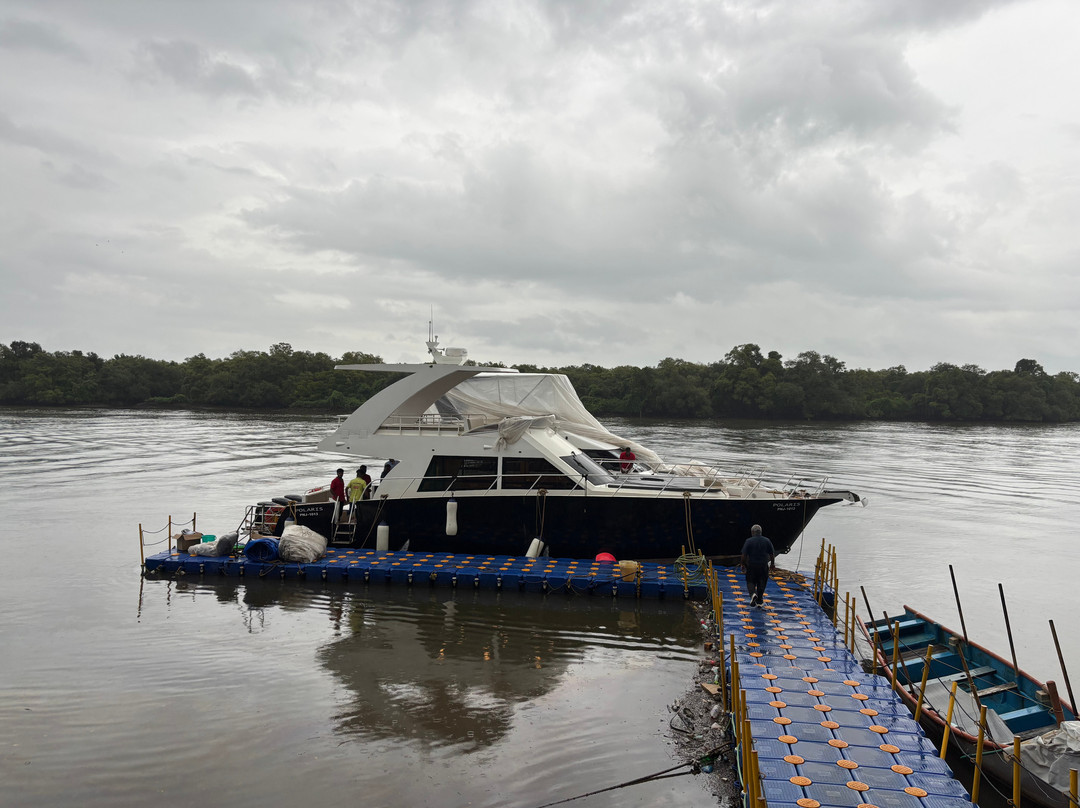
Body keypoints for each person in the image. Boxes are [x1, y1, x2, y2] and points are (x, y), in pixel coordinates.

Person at [740, 524, 776, 608]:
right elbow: (771, 554)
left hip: (752, 565)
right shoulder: (767, 541)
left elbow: (744, 555)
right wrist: (772, 564)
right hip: (763, 565)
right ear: (761, 532)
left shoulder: (748, 541)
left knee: (750, 581)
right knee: (762, 582)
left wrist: (743, 564)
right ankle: (759, 600)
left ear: (752, 532)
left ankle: (753, 594)